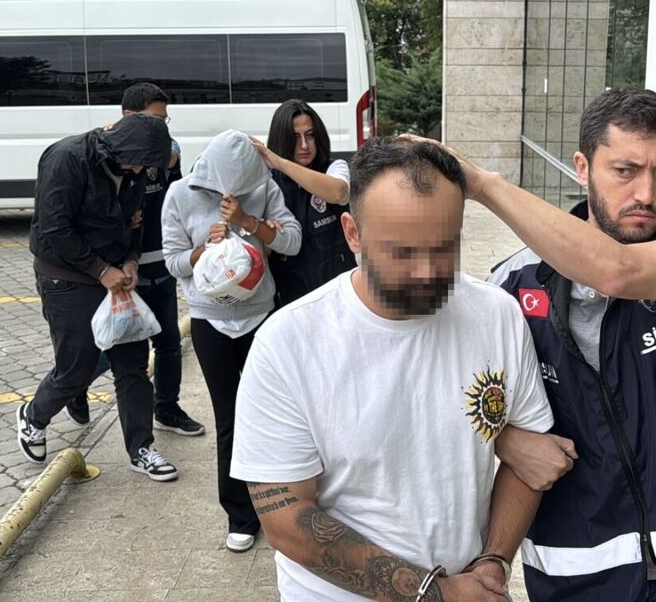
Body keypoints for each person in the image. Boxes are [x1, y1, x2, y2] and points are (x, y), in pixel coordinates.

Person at [418, 88, 656, 601]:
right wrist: (504, 438)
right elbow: (443, 391)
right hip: (568, 572)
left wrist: (485, 186)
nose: (646, 193)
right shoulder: (516, 284)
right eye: (625, 171)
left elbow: (617, 271)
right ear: (582, 168)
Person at [229, 137, 555, 602]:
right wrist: (434, 593)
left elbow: (530, 461)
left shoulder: (497, 315)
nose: (426, 272)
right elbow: (285, 518)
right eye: (402, 251)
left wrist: (494, 561)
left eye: (444, 248)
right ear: (352, 233)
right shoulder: (288, 343)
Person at [19, 112, 179, 482]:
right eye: (136, 162)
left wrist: (131, 260)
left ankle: (141, 448)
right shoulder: (67, 159)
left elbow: (136, 221)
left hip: (114, 275)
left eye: (145, 166)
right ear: (120, 146)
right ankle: (34, 416)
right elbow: (55, 228)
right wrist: (100, 270)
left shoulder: (139, 170)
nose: (139, 171)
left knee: (133, 365)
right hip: (66, 277)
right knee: (76, 368)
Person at [162, 129, 301, 552]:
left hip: (261, 317)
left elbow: (292, 241)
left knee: (275, 415)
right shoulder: (180, 194)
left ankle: (285, 507)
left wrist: (248, 222)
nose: (235, 192)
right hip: (211, 322)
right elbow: (173, 262)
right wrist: (204, 249)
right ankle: (239, 515)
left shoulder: (264, 188)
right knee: (229, 418)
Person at [65, 83, 206, 437]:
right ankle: (75, 385)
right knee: (120, 344)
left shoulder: (163, 152)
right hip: (124, 268)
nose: (162, 127)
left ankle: (167, 408)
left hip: (162, 262)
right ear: (128, 117)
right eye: (155, 119)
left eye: (165, 120)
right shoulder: (108, 156)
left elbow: (175, 182)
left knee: (168, 341)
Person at [249, 99, 355, 307]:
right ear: (281, 138)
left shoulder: (335, 168)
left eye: (310, 135)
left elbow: (338, 192)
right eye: (295, 137)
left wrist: (279, 162)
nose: (304, 145)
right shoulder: (268, 183)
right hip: (290, 293)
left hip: (336, 292)